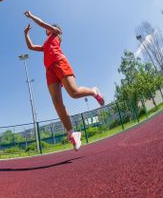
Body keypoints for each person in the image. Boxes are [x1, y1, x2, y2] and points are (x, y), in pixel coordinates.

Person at [23, 11, 104, 151]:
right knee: (56, 101)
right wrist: (26, 34)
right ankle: (72, 133)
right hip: (49, 69)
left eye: (47, 28)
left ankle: (93, 91)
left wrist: (31, 16)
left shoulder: (56, 32)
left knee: (73, 92)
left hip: (59, 62)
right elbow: (30, 47)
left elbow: (42, 23)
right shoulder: (45, 44)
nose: (45, 30)